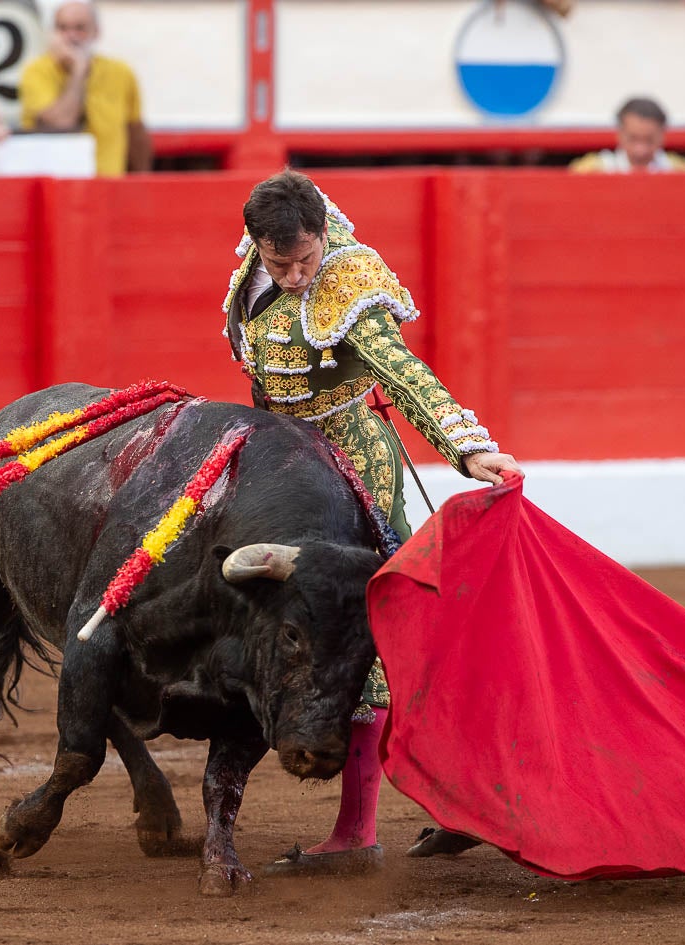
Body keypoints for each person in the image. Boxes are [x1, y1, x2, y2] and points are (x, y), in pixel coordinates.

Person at [222, 170, 521, 876]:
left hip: (354, 469)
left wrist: (466, 446)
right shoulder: (256, 259)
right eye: (278, 263)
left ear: (324, 234)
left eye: (304, 260)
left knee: (374, 635)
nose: (295, 277)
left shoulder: (351, 284)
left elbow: (407, 374)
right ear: (256, 244)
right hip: (281, 468)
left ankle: (364, 827)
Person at [18, 1, 151, 177]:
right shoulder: (36, 72)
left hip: (108, 185)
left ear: (96, 32)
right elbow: (60, 123)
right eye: (62, 28)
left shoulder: (120, 73)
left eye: (80, 28)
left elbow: (135, 132)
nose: (71, 36)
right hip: (58, 187)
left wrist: (140, 186)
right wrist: (78, 72)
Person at [570, 97, 685, 174]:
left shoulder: (678, 171)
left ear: (662, 135)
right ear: (620, 134)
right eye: (633, 139)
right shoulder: (593, 170)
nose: (640, 150)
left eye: (649, 140)